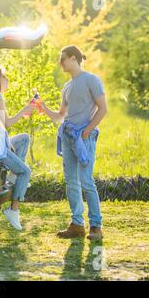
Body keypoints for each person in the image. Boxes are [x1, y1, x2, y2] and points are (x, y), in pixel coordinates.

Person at [41, 45, 108, 241]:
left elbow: (103, 109)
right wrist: (43, 108)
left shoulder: (91, 80)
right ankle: (77, 225)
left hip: (83, 139)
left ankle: (96, 226)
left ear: (73, 58)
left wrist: (87, 132)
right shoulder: (67, 87)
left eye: (62, 59)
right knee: (71, 182)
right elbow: (60, 116)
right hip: (68, 138)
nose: (60, 63)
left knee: (86, 181)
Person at [0, 67, 35, 230]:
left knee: (24, 138)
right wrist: (24, 111)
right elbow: (8, 123)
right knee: (25, 172)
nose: (7, 80)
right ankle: (13, 210)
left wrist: (5, 137)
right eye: (4, 77)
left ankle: (12, 177)